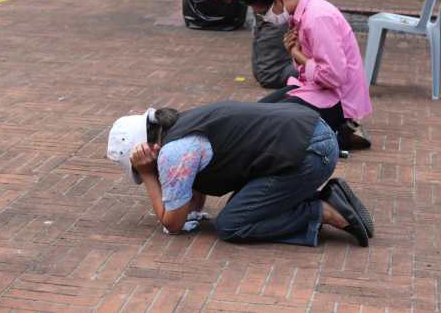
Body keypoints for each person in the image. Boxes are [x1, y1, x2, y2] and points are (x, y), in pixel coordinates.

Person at [107, 101, 373, 247]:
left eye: (139, 168)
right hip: (310, 134)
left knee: (232, 225)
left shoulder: (174, 152)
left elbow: (173, 224)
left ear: (147, 149)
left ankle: (322, 210)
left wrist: (148, 175)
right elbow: (194, 200)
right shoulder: (181, 125)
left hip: (310, 152)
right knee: (241, 210)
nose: (143, 173)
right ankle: (327, 198)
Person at [245, 0, 372, 150]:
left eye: (264, 12)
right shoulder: (300, 12)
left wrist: (297, 54)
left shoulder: (317, 18)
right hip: (316, 88)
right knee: (254, 114)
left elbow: (334, 76)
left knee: (269, 124)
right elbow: (313, 68)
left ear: (279, 0)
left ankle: (336, 133)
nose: (265, 18)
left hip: (337, 99)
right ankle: (329, 130)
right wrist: (296, 55)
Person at [217, 0, 301, 89]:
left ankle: (314, 72)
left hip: (277, 9)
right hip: (265, 7)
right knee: (261, 70)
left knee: (269, 75)